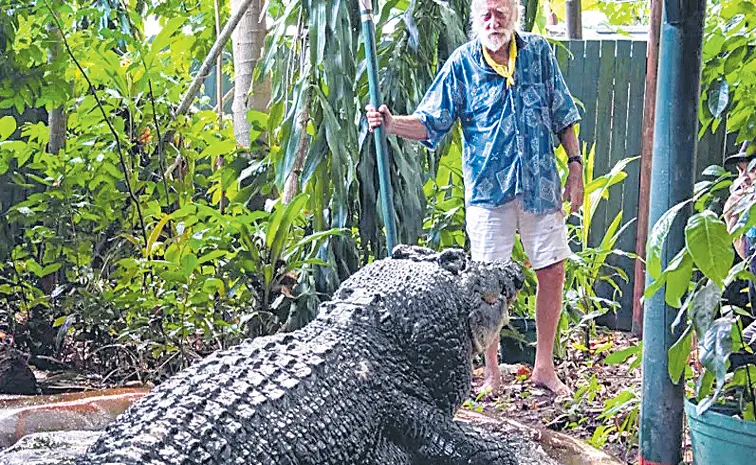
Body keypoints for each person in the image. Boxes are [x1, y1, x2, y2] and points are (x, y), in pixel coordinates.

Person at [366, 0, 582, 396]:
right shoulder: (462, 64)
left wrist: (576, 167)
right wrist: (393, 123)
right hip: (488, 193)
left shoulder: (538, 54)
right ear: (474, 18)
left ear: (514, 14)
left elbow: (563, 115)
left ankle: (544, 368)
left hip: (539, 185)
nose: (493, 21)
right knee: (486, 286)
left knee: (551, 270)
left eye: (500, 12)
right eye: (485, 13)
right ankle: (490, 373)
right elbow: (430, 122)